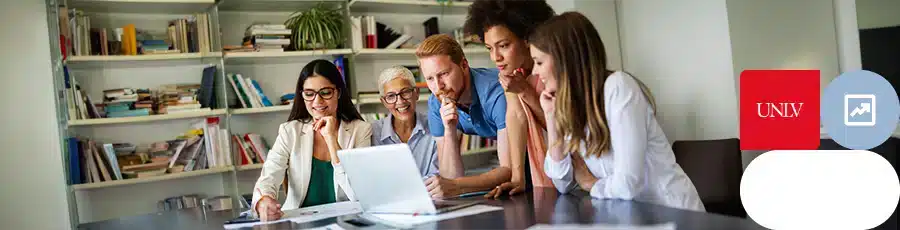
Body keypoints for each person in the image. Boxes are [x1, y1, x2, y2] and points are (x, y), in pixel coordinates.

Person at [530, 12, 706, 212]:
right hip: (632, 217)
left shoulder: (618, 87)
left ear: (565, 59)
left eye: (539, 62)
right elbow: (562, 183)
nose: (535, 72)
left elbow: (628, 184)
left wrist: (591, 183)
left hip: (676, 215)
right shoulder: (572, 105)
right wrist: (551, 117)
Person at [252, 60, 373, 221]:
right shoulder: (290, 131)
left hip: (346, 222)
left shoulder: (361, 130)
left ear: (338, 92)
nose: (317, 101)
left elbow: (358, 193)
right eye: (309, 94)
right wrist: (263, 201)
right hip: (301, 223)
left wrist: (331, 138)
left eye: (325, 92)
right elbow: (269, 176)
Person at [463, 0, 557, 194]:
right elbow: (515, 117)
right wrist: (518, 178)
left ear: (527, 39)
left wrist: (525, 92)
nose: (495, 57)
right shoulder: (512, 73)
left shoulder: (553, 72)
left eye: (503, 45)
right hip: (543, 178)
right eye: (489, 48)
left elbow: (565, 132)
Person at [415, 34, 520, 199]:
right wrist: (449, 130)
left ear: (464, 65)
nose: (438, 86)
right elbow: (450, 178)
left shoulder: (496, 92)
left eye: (443, 74)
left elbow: (509, 170)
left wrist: (457, 186)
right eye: (430, 78)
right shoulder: (436, 103)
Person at [371, 66, 439, 178]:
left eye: (406, 92)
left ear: (416, 93)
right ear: (384, 102)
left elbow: (437, 177)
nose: (400, 101)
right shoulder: (373, 132)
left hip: (428, 195)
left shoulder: (435, 126)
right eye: (391, 96)